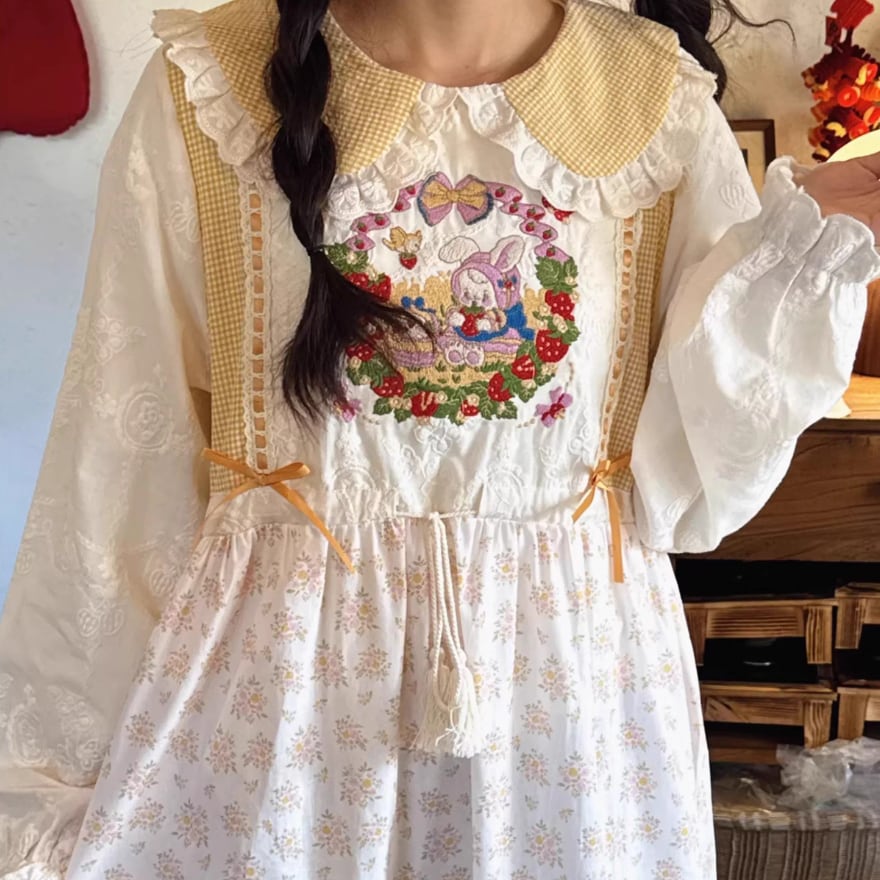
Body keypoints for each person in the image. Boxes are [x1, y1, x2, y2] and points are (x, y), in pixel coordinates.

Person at [2, 0, 880, 877]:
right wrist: (55, 780)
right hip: (281, 732)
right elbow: (117, 464)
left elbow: (694, 482)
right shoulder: (213, 89)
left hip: (564, 717)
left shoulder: (653, 102)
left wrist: (800, 262)